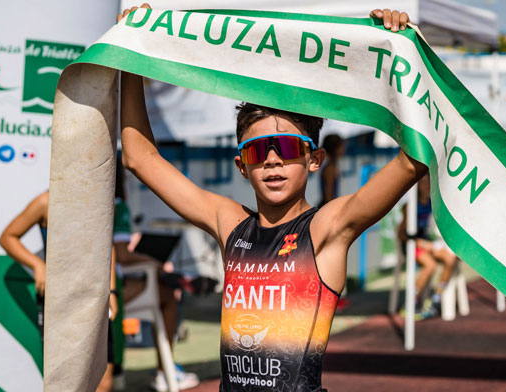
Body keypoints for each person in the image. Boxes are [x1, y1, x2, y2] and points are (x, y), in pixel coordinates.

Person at [117, 6, 422, 391]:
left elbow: (414, 160)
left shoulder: (326, 229)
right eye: (259, 151)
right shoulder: (229, 224)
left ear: (314, 159)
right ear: (242, 166)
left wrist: (400, 54)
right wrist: (129, 57)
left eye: (288, 147)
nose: (274, 160)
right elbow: (139, 158)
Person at [0, 191, 120, 392]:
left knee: (103, 380)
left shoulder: (98, 196)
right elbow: (7, 238)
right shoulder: (45, 201)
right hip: (60, 302)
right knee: (65, 381)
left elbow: (108, 245)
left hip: (95, 297)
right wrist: (37, 265)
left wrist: (112, 291)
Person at [112, 159, 199, 391]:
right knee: (167, 295)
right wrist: (154, 263)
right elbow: (120, 255)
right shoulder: (116, 205)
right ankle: (164, 371)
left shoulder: (61, 203)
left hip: (84, 287)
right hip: (111, 290)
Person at [396, 174, 458, 320]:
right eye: (423, 183)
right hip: (411, 245)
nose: (426, 185)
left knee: (450, 259)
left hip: (427, 243)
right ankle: (411, 303)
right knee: (430, 266)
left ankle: (436, 299)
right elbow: (402, 234)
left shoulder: (432, 204)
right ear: (417, 186)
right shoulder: (410, 206)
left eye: (429, 182)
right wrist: (421, 243)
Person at [318, 134, 345, 208]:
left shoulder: (332, 166)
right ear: (335, 149)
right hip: (328, 207)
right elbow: (328, 194)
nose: (343, 149)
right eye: (341, 146)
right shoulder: (330, 169)